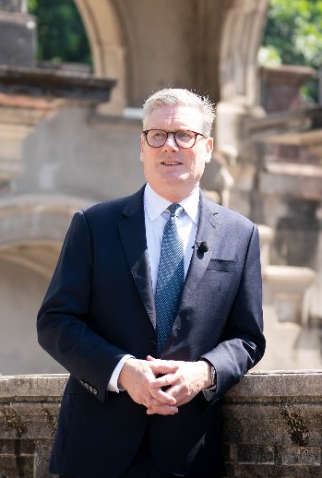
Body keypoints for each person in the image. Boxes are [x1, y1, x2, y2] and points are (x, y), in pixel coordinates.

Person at [37, 88, 266, 477]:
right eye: (156, 135)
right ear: (142, 147)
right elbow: (56, 322)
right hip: (95, 450)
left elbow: (248, 338)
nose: (168, 146)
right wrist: (123, 371)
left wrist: (204, 373)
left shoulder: (239, 235)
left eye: (183, 135)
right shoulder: (94, 226)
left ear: (207, 147)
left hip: (190, 450)